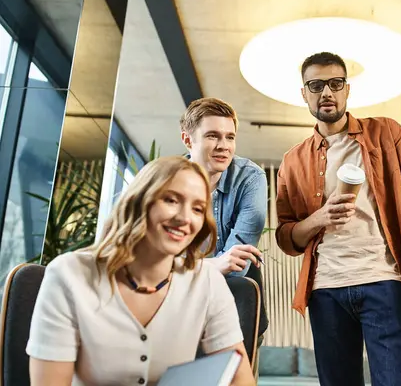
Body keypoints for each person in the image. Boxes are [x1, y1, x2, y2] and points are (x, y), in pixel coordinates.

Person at [275, 51, 401, 386]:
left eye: (335, 83)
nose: (326, 92)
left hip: (384, 281)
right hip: (326, 290)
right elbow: (287, 237)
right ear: (304, 93)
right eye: (315, 85)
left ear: (346, 90)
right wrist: (319, 218)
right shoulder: (292, 161)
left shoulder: (386, 134)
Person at [27, 156, 255, 386]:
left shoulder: (207, 282)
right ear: (139, 201)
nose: (185, 218)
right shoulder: (69, 274)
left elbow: (240, 379)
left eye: (197, 209)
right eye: (171, 200)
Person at [180, 97, 269, 342]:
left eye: (230, 137)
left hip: (234, 299)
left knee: (241, 287)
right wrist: (212, 266)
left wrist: (185, 270)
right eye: (212, 136)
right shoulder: (166, 180)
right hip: (179, 298)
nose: (224, 146)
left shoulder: (250, 178)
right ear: (188, 140)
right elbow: (154, 264)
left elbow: (237, 266)